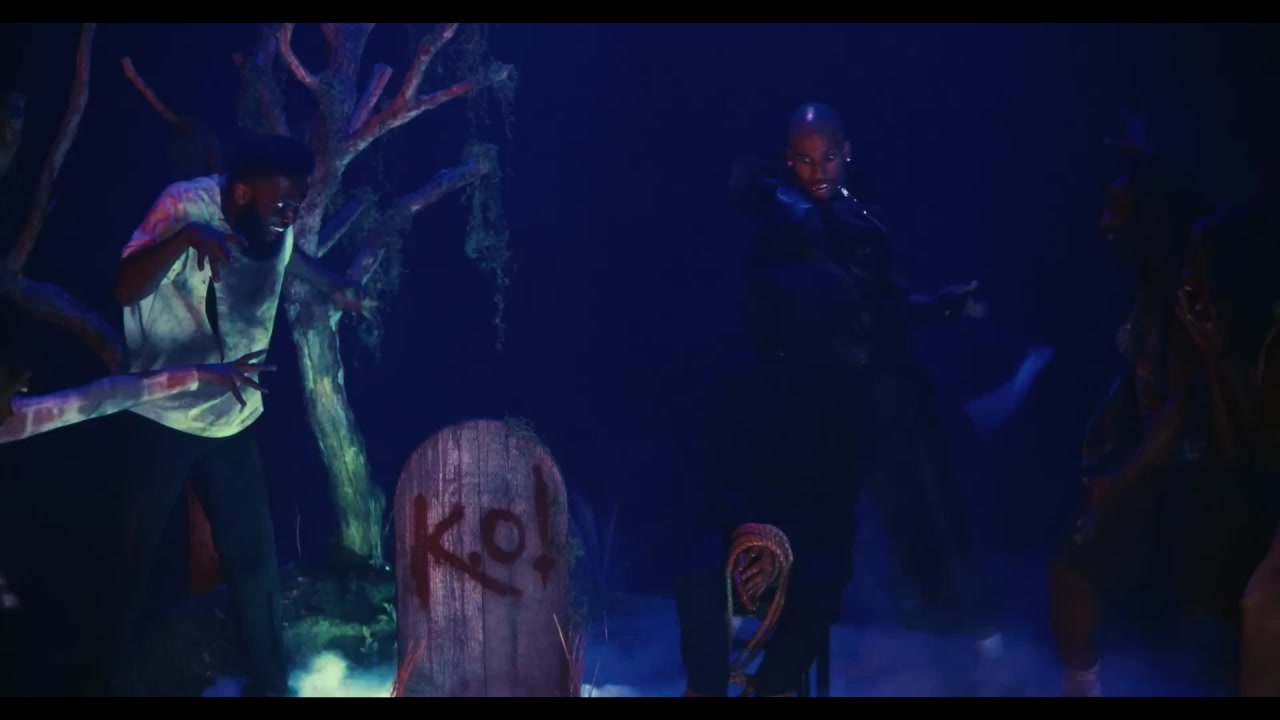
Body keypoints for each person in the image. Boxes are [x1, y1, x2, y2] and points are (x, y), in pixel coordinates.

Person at [672, 102, 991, 697]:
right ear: (788, 160)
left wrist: (939, 307)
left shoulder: (853, 220)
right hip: (774, 417)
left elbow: (879, 307)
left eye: (829, 158)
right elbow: (805, 300)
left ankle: (771, 688)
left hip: (836, 425)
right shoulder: (784, 216)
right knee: (710, 548)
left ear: (847, 154)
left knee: (824, 567)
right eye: (805, 160)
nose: (818, 171)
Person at [85, 132, 370, 697]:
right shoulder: (183, 205)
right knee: (127, 562)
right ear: (241, 193)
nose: (292, 215)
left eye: (297, 204)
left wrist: (335, 286)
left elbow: (288, 257)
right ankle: (92, 681)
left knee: (255, 564)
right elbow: (124, 288)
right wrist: (185, 239)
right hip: (161, 414)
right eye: (283, 203)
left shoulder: (273, 225)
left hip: (231, 417)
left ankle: (271, 686)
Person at [1045, 118, 1272, 697]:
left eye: (1120, 215)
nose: (1105, 224)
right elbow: (1144, 383)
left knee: (1223, 614)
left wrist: (1118, 482)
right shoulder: (1148, 288)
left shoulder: (1192, 290)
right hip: (1165, 475)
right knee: (1073, 568)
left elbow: (1184, 406)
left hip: (1202, 479)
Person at [1172, 211, 1280, 696]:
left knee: (1261, 606)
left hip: (1253, 507)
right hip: (1245, 497)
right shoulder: (1238, 338)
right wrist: (1215, 360)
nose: (1185, 275)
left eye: (1196, 262)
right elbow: (1236, 448)